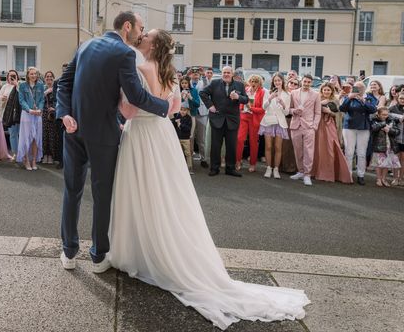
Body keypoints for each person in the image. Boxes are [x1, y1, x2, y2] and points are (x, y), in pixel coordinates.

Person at [108, 28, 309, 331]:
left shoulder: (140, 67)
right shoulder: (170, 73)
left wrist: (117, 100)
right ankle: (159, 245)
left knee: (140, 191)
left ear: (153, 44)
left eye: (146, 36)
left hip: (141, 136)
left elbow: (131, 111)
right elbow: (174, 108)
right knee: (165, 194)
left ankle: (140, 249)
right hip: (163, 136)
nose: (142, 38)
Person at [57, 11, 170, 273]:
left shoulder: (85, 45)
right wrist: (164, 107)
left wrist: (65, 114)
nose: (141, 34)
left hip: (73, 131)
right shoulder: (125, 53)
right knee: (102, 195)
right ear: (127, 26)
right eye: (140, 28)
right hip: (105, 135)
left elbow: (64, 83)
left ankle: (69, 252)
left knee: (71, 191)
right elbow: (136, 95)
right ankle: (98, 256)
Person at [200, 66, 248, 177]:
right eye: (224, 72)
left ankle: (230, 168)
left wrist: (238, 97)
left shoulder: (239, 85)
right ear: (222, 73)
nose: (226, 74)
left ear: (232, 74)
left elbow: (245, 99)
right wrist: (210, 106)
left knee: (231, 145)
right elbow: (202, 93)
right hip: (217, 118)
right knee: (216, 145)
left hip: (232, 119)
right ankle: (214, 168)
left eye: (228, 72)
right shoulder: (214, 83)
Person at [311, 83, 352, 183]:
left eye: (328, 90)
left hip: (330, 125)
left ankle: (332, 173)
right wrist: (320, 106)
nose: (326, 92)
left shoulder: (336, 100)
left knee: (331, 147)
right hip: (319, 125)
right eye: (324, 90)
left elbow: (340, 114)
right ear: (321, 90)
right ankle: (316, 172)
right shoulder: (317, 99)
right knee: (318, 148)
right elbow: (310, 110)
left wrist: (330, 112)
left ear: (332, 91)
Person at [340, 82, 376, 185]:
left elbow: (373, 109)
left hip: (363, 127)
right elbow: (342, 109)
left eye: (361, 87)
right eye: (357, 87)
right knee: (349, 152)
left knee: (361, 153)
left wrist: (363, 101)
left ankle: (361, 175)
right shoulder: (348, 96)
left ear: (364, 88)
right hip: (349, 126)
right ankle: (348, 174)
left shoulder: (368, 97)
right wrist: (349, 98)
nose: (359, 89)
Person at [289, 74, 321, 186]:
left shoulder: (316, 95)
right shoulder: (293, 93)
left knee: (308, 151)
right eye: (305, 81)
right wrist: (294, 111)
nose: (306, 83)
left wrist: (314, 126)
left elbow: (318, 112)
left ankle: (307, 174)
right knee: (298, 150)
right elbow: (289, 108)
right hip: (295, 125)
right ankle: (301, 171)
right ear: (301, 81)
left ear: (311, 83)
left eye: (309, 82)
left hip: (309, 126)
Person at [259, 73, 290, 179]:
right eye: (275, 81)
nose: (277, 82)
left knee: (278, 147)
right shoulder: (268, 92)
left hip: (280, 123)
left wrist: (283, 104)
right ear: (273, 82)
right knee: (268, 146)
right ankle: (268, 168)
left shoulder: (287, 94)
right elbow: (263, 107)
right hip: (268, 122)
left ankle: (276, 169)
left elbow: (286, 113)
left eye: (279, 80)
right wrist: (270, 98)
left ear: (282, 81)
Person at [236, 75, 267, 173]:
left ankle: (253, 163)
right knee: (240, 139)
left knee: (253, 141)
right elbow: (240, 101)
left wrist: (252, 108)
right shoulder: (246, 89)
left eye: (256, 82)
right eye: (252, 81)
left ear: (259, 83)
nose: (253, 83)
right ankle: (238, 161)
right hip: (244, 116)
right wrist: (241, 108)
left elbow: (263, 109)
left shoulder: (262, 92)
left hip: (254, 118)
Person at [17, 67, 45, 171]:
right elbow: (21, 100)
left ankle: (33, 160)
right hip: (27, 114)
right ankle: (26, 160)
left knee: (35, 138)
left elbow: (42, 99)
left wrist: (40, 109)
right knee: (26, 137)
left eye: (35, 74)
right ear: (28, 75)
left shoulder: (40, 85)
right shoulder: (23, 85)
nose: (34, 76)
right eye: (32, 74)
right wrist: (29, 110)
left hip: (37, 114)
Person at [369, 107, 400, 187]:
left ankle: (384, 179)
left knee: (387, 163)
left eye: (386, 115)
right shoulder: (374, 120)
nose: (385, 116)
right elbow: (373, 129)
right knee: (379, 163)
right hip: (379, 145)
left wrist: (389, 130)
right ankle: (378, 179)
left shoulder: (392, 120)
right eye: (383, 115)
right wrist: (383, 124)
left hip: (390, 145)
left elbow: (397, 131)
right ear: (378, 114)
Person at [189, 67, 209, 168]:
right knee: (190, 137)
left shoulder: (203, 83)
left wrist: (204, 75)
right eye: (193, 73)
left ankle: (203, 158)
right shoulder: (187, 83)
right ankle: (189, 158)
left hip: (202, 113)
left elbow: (208, 86)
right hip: (190, 113)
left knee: (201, 138)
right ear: (190, 75)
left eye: (197, 73)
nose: (195, 75)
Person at [280, 78, 300, 175]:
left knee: (290, 145)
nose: (292, 85)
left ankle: (290, 167)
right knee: (281, 145)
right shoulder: (283, 93)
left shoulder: (298, 96)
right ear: (287, 84)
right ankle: (279, 166)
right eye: (291, 83)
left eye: (295, 84)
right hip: (281, 120)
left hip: (293, 120)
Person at [41, 71, 58, 164]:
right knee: (44, 135)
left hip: (53, 113)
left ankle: (51, 156)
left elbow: (60, 100)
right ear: (45, 78)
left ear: (53, 78)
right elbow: (37, 99)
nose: (49, 78)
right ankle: (45, 155)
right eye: (47, 76)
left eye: (51, 76)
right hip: (43, 113)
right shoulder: (42, 88)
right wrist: (46, 92)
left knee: (52, 135)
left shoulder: (57, 88)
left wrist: (54, 108)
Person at [388, 92, 404, 186]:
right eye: (401, 98)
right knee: (395, 158)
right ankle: (395, 178)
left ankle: (401, 178)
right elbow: (387, 117)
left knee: (403, 158)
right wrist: (398, 119)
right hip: (395, 137)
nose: (403, 100)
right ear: (398, 98)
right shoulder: (392, 108)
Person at [172, 106, 194, 172]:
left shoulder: (189, 118)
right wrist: (174, 122)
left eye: (184, 110)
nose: (182, 111)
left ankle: (189, 167)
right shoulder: (178, 116)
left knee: (187, 153)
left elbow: (188, 128)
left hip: (186, 139)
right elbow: (173, 126)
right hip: (178, 138)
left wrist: (180, 124)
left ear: (187, 111)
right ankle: (180, 167)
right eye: (181, 110)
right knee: (179, 153)